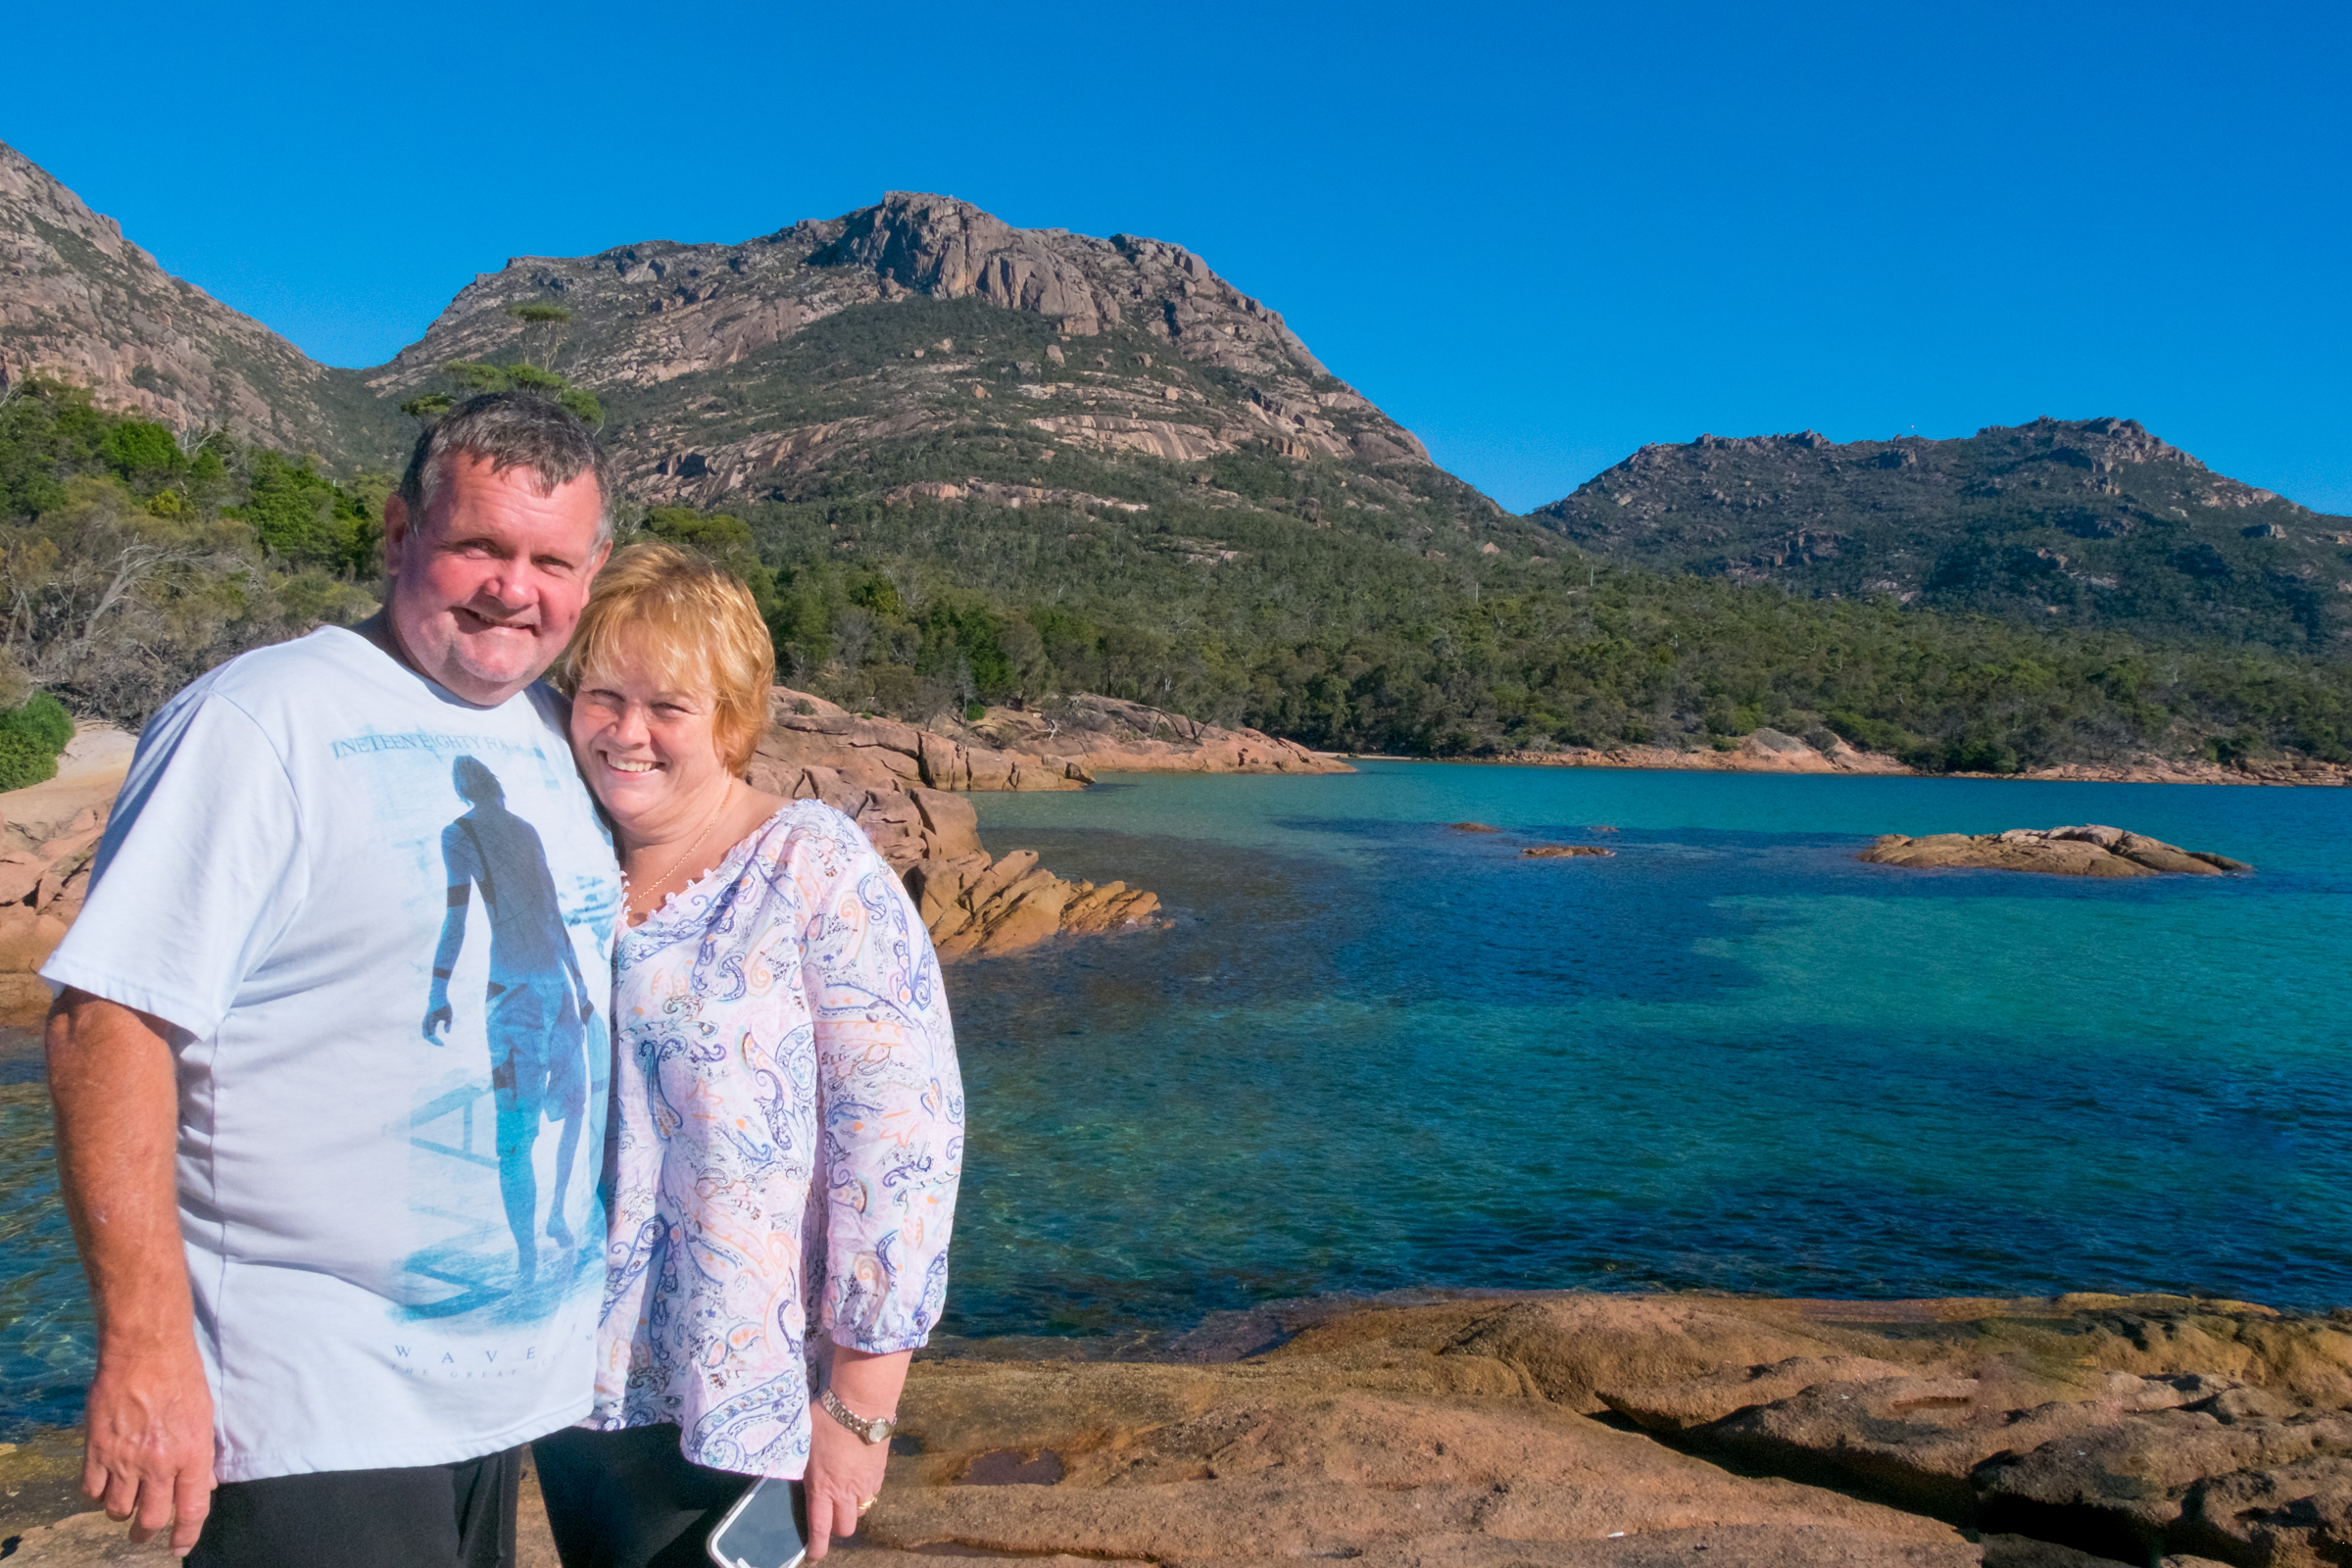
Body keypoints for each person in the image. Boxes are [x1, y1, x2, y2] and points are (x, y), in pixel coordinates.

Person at [41, 393, 622, 1566]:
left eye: (551, 561)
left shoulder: (556, 733)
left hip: (497, 1402)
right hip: (306, 1401)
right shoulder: (263, 719)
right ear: (400, 533)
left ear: (590, 573)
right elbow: (108, 1020)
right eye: (479, 546)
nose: (513, 588)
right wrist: (144, 1347)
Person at [530, 543, 961, 1568]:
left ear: (729, 718)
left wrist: (859, 1408)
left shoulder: (812, 867)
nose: (628, 732)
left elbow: (903, 1144)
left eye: (667, 707)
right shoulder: (565, 857)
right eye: (604, 696)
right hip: (565, 1382)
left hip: (740, 1397)